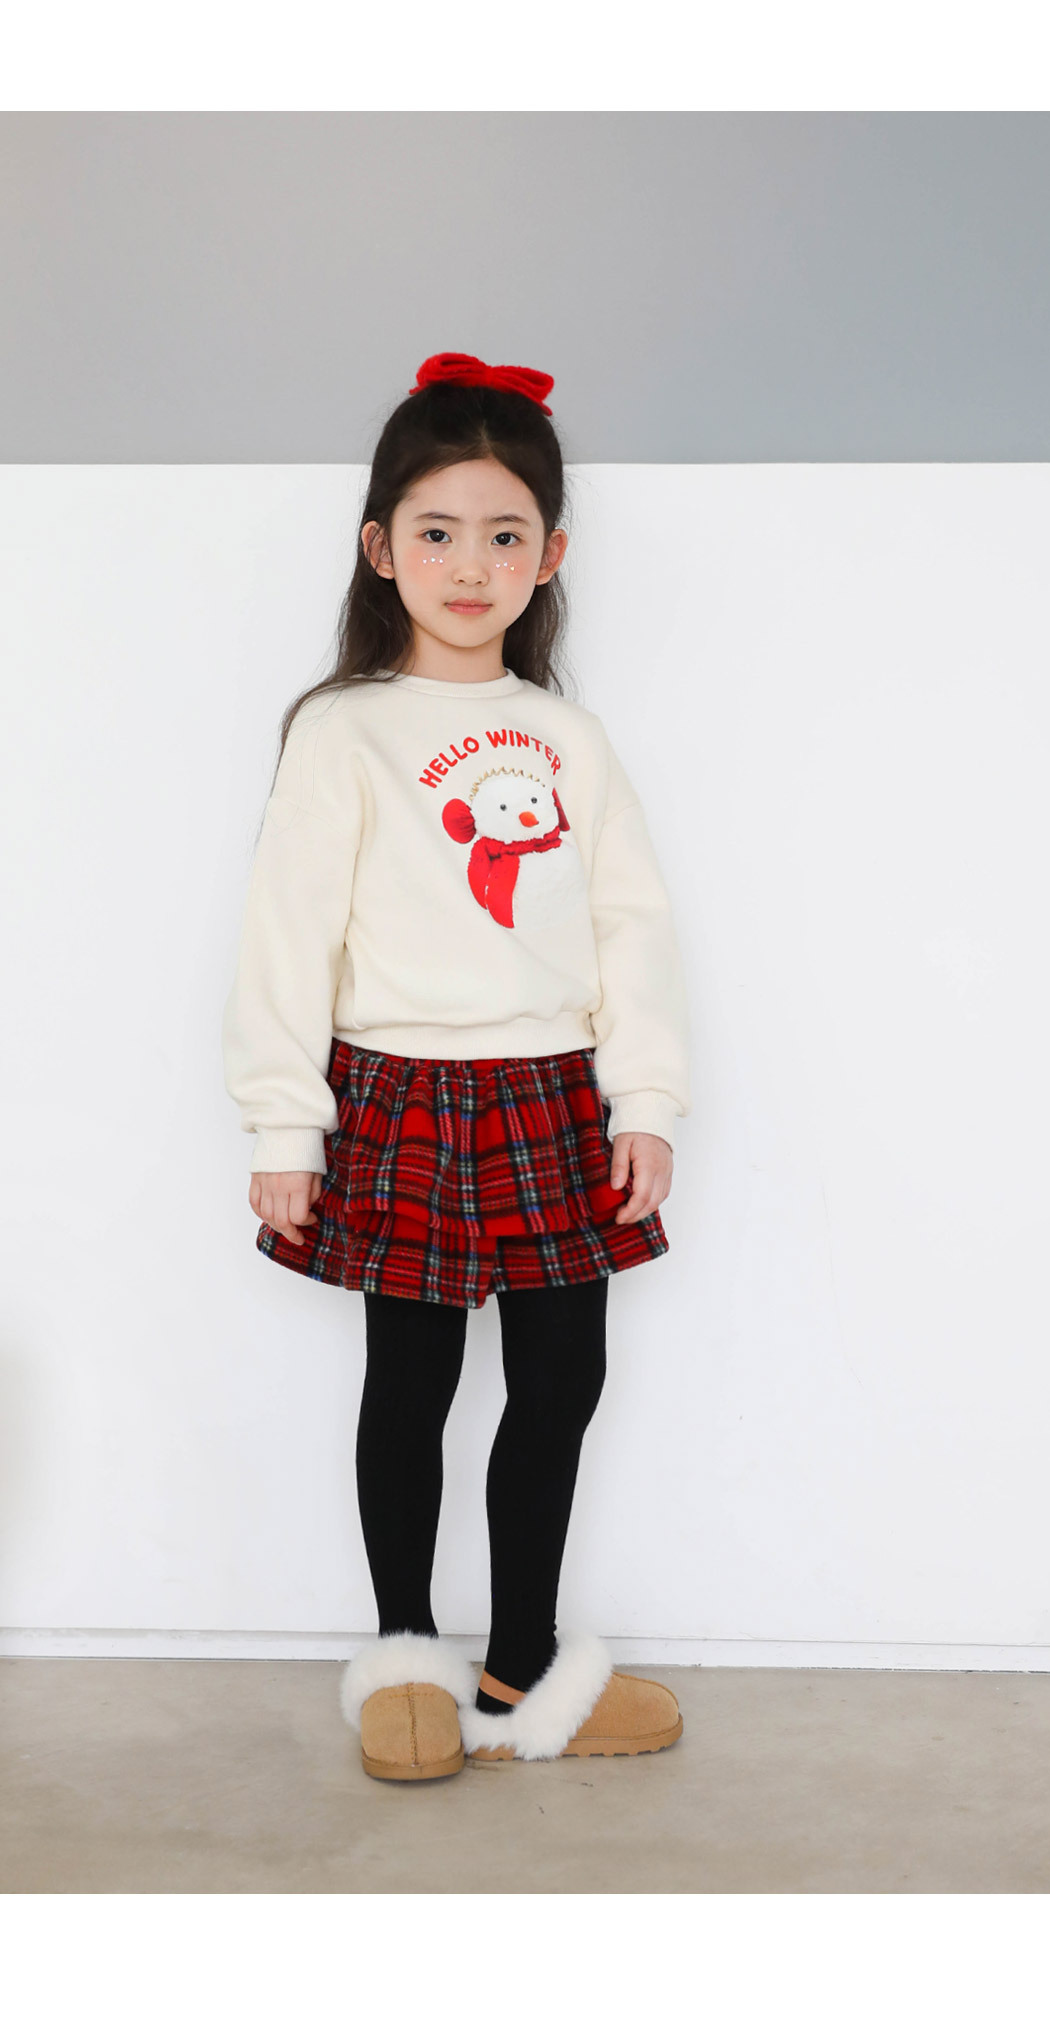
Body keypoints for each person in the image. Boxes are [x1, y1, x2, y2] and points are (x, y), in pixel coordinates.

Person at [222, 350, 692, 1781]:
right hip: (399, 1093)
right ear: (380, 547)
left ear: (552, 556)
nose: (470, 566)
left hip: (552, 1092)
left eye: (503, 534)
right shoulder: (344, 729)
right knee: (410, 1382)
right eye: (436, 531)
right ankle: (406, 1657)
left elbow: (630, 923)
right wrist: (284, 1124)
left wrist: (647, 1098)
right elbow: (287, 933)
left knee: (562, 1379)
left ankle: (523, 1663)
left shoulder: (570, 738)